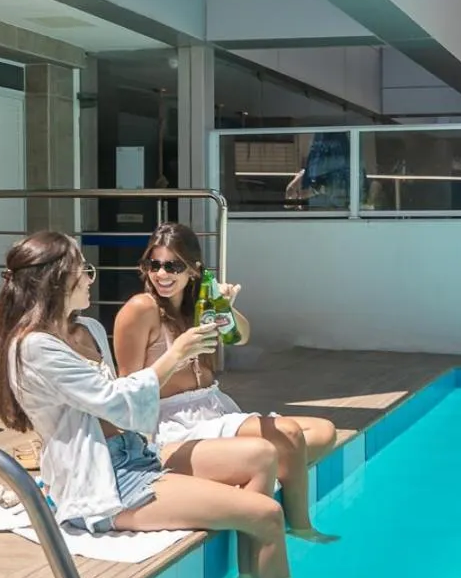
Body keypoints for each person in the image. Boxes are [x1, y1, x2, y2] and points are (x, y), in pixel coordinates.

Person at [0, 231, 325, 578]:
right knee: (266, 513)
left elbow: (127, 406)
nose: (89, 278)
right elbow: (115, 402)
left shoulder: (88, 329)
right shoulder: (35, 347)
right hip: (109, 479)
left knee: (261, 455)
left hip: (138, 451)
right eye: (83, 270)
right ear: (56, 279)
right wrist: (175, 355)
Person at [113, 222, 339, 544]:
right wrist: (176, 355)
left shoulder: (198, 306)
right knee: (287, 437)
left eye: (173, 266)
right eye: (155, 265)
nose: (162, 274)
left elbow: (241, 337)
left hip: (213, 409)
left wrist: (225, 307)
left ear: (194, 270)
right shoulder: (140, 310)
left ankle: (225, 474)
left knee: (322, 432)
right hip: (172, 422)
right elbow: (128, 388)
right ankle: (300, 527)